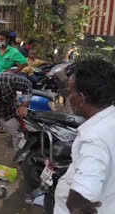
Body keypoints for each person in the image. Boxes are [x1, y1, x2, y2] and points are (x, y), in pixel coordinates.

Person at [54, 59, 115, 214]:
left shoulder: (94, 139)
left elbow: (83, 192)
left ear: (81, 98)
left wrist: (75, 205)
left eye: (70, 92)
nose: (69, 97)